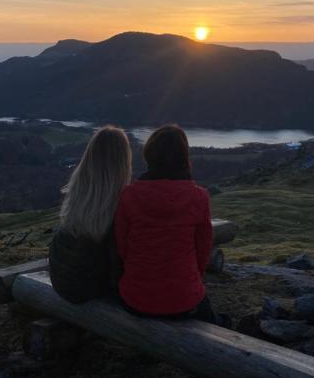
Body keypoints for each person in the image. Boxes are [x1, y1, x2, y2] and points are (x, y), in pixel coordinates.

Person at [114, 124, 219, 322]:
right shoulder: (199, 197)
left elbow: (123, 247)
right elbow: (203, 250)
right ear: (184, 158)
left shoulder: (129, 195)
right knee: (216, 321)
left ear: (149, 155)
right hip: (184, 300)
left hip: (135, 299)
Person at [49, 125, 132, 303]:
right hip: (89, 288)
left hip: (61, 281)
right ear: (123, 161)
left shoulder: (79, 191)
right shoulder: (122, 203)